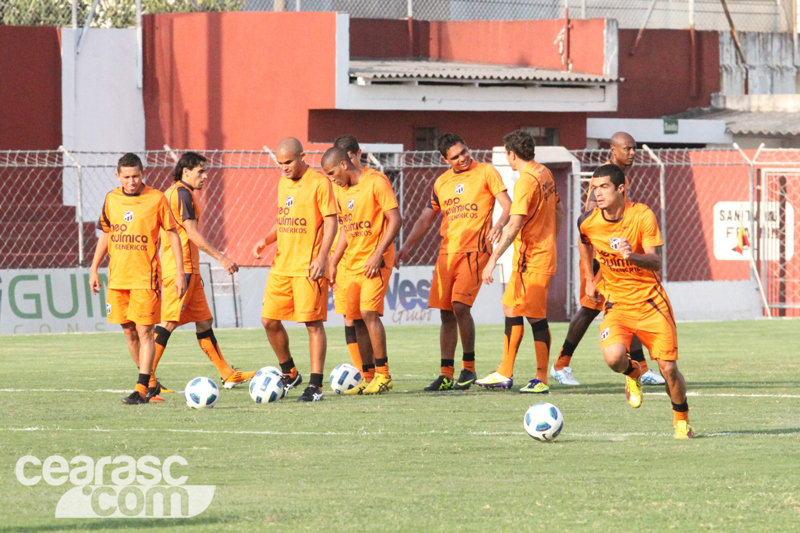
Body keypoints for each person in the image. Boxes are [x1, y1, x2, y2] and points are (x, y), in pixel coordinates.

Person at [578, 164, 693, 438]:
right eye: (595, 188)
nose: (598, 193)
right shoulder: (589, 221)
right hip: (617, 305)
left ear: (621, 188)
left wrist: (633, 256)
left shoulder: (642, 215)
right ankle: (634, 372)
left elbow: (656, 261)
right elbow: (584, 240)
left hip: (651, 304)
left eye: (604, 187)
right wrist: (588, 278)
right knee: (614, 358)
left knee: (669, 370)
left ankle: (681, 422)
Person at [397, 133, 512, 391]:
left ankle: (468, 368)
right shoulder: (441, 182)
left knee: (460, 306)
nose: (463, 158)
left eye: (464, 151)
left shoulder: (486, 172)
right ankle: (446, 373)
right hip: (447, 252)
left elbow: (507, 205)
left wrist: (499, 225)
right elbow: (426, 218)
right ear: (444, 159)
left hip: (476, 250)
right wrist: (405, 248)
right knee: (446, 313)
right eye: (455, 156)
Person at [551, 132, 666, 387]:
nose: (633, 153)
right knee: (589, 308)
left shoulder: (619, 176)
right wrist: (594, 273)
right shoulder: (608, 175)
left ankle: (642, 368)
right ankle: (561, 364)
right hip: (601, 258)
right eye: (627, 149)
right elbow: (591, 215)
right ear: (613, 150)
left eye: (635, 148)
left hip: (611, 256)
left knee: (626, 309)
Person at [147, 152, 255, 402]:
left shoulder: (175, 192)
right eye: (200, 172)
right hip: (181, 269)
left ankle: (228, 374)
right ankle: (148, 381)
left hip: (189, 268)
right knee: (168, 323)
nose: (205, 177)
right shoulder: (182, 194)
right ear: (185, 172)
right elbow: (192, 235)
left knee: (204, 321)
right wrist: (222, 257)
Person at [89, 152, 187, 404]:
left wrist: (178, 272)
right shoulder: (111, 199)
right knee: (129, 332)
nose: (132, 181)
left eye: (136, 176)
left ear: (143, 174)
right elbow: (106, 234)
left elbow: (173, 234)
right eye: (127, 177)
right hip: (118, 279)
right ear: (118, 176)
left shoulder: (156, 199)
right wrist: (93, 268)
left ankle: (141, 389)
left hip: (146, 279)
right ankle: (151, 385)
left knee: (145, 331)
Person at [476, 130, 563, 393]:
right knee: (511, 308)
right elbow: (558, 210)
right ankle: (504, 372)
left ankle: (541, 378)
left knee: (536, 317)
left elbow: (514, 225)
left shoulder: (525, 181)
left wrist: (492, 260)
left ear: (512, 154)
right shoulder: (545, 172)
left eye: (507, 154)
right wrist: (551, 237)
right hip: (531, 255)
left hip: (534, 258)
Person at [253, 137, 338, 402]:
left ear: (302, 156)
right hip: (282, 265)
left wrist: (322, 257)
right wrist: (265, 241)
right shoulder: (283, 183)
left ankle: (315, 386)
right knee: (269, 320)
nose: (284, 168)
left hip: (307, 266)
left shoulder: (319, 183)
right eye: (280, 164)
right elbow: (284, 220)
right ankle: (290, 371)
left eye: (288, 162)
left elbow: (331, 222)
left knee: (312, 324)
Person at [322, 146, 402, 394]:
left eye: (332, 172)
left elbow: (395, 219)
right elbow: (346, 228)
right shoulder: (341, 191)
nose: (331, 177)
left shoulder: (376, 181)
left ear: (344, 164)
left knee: (369, 313)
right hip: (352, 262)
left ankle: (384, 375)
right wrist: (334, 261)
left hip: (375, 261)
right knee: (355, 318)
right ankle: (368, 378)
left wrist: (378, 253)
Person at [330, 134, 376, 389]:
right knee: (349, 317)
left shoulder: (372, 181)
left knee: (364, 315)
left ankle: (373, 373)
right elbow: (336, 223)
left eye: (348, 159)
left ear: (358, 155)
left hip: (365, 255)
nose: (344, 166)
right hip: (343, 257)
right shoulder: (335, 185)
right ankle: (362, 372)